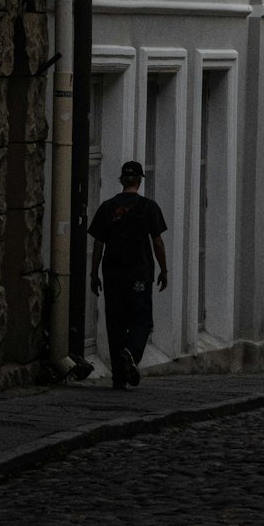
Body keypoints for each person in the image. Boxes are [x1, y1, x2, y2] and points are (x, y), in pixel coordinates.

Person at [89, 160, 168, 388]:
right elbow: (158, 242)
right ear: (140, 181)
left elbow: (97, 244)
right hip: (139, 274)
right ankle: (131, 352)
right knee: (141, 319)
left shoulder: (107, 207)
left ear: (122, 181)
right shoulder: (148, 207)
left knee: (115, 322)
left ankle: (118, 377)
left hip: (113, 274)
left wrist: (94, 274)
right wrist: (164, 269)